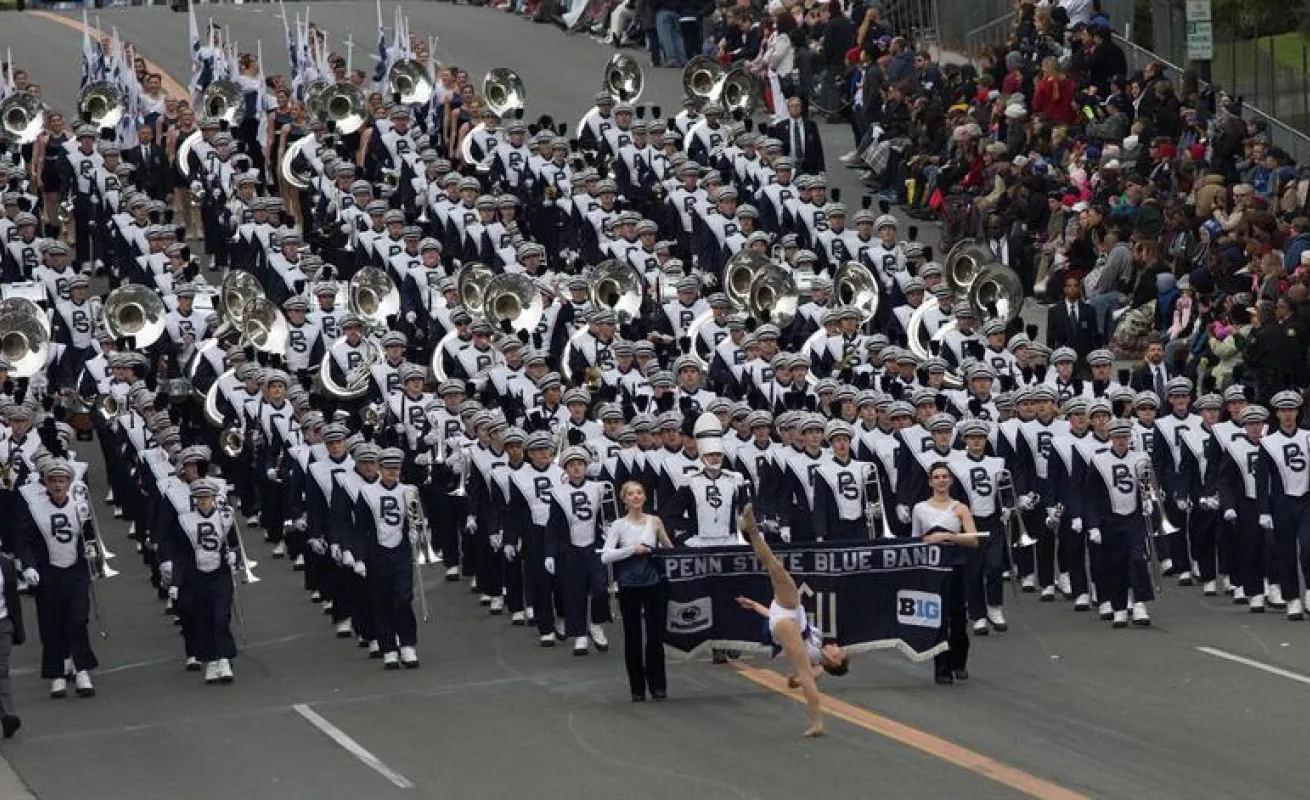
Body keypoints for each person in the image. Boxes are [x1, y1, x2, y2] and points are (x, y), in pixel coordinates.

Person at [734, 504, 849, 737]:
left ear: (835, 663)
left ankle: (818, 721)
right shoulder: (819, 648)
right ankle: (751, 529)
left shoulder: (818, 666)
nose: (837, 646)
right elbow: (796, 680)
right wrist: (755, 606)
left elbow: (807, 678)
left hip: (788, 623)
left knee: (775, 567)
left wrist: (798, 679)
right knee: (774, 567)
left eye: (839, 651)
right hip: (786, 615)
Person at [601, 479, 673, 703]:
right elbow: (606, 556)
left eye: (639, 493)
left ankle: (658, 685)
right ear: (624, 500)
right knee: (632, 636)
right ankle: (637, 688)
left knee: (655, 636)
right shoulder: (618, 526)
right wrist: (633, 549)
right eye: (631, 494)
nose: (636, 497)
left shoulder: (655, 521)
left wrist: (659, 550)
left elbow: (669, 550)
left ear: (644, 497)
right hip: (629, 584)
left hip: (653, 583)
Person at [911, 462, 980, 685]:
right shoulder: (920, 508)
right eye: (937, 477)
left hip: (956, 566)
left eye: (945, 477)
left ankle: (959, 663)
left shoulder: (960, 508)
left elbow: (973, 539)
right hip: (932, 569)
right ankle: (941, 667)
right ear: (930, 482)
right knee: (937, 619)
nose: (941, 481)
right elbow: (915, 540)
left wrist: (948, 537)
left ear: (950, 481)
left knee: (958, 617)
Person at [0, 552, 25, 738]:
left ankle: (8, 716)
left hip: (3, 624)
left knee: (2, 670)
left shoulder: (6, 565)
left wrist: (18, 628)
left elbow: (13, 600)